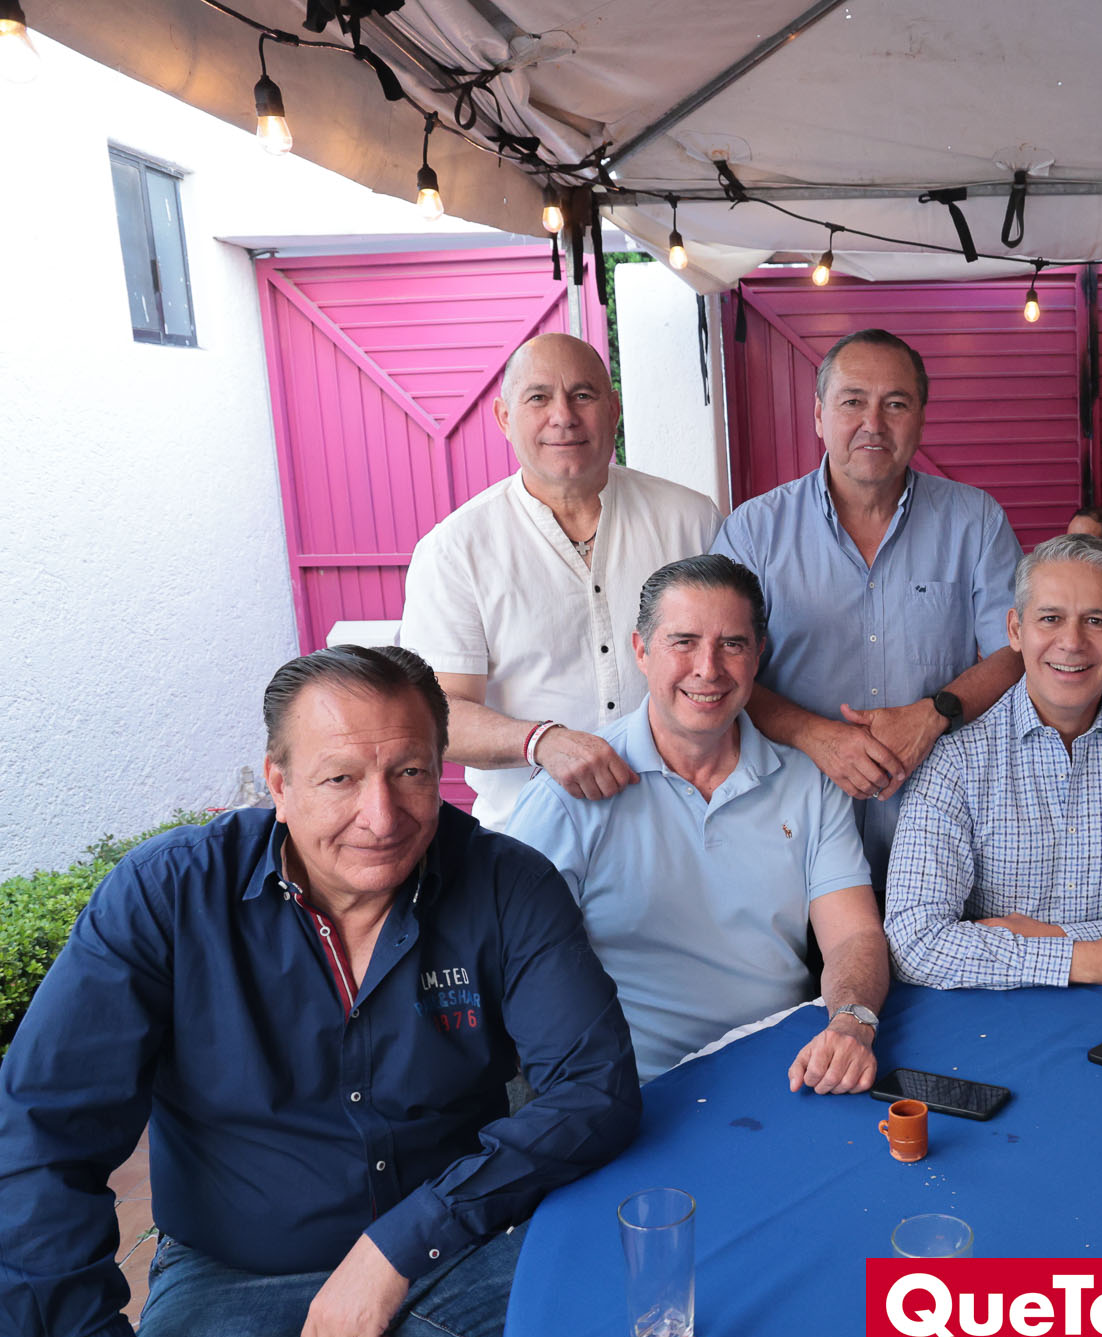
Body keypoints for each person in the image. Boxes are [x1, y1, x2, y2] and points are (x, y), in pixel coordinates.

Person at [0, 646, 640, 1337]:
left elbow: (594, 1089)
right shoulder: (168, 894)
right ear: (279, 784)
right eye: (341, 778)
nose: (381, 816)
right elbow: (39, 1135)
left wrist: (405, 1241)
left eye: (410, 772)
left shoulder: (506, 882)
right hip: (233, 1272)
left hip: (460, 1245)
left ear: (440, 770)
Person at [503, 555, 889, 1090]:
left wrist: (851, 1022)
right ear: (641, 651)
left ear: (758, 655)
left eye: (732, 644)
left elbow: (853, 934)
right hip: (634, 1091)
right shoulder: (569, 791)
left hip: (788, 1072)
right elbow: (509, 962)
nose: (708, 668)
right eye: (682, 642)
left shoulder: (810, 783)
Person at [711, 329, 1023, 879]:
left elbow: (1015, 652)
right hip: (792, 824)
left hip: (942, 825)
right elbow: (719, 670)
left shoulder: (976, 521)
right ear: (819, 415)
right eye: (852, 401)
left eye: (895, 404)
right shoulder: (754, 532)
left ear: (920, 418)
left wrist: (934, 713)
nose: (873, 423)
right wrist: (811, 733)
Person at [885, 535, 1102, 989]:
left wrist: (1051, 939)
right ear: (1015, 630)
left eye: (1095, 621)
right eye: (1050, 618)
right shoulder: (955, 759)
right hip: (992, 1009)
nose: (1071, 642)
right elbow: (914, 942)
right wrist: (1089, 959)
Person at [401, 332, 721, 828]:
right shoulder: (455, 550)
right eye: (538, 398)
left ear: (613, 409)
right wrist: (541, 741)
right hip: (531, 835)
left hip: (682, 824)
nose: (563, 416)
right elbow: (434, 715)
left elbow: (738, 663)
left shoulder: (691, 520)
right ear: (504, 418)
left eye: (583, 395)